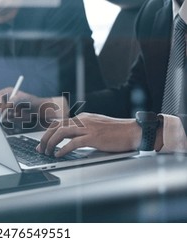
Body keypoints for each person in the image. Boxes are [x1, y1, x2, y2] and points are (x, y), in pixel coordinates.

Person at [36, 0, 187, 157]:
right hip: (161, 165)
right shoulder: (154, 11)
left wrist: (142, 133)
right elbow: (134, 96)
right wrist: (47, 106)